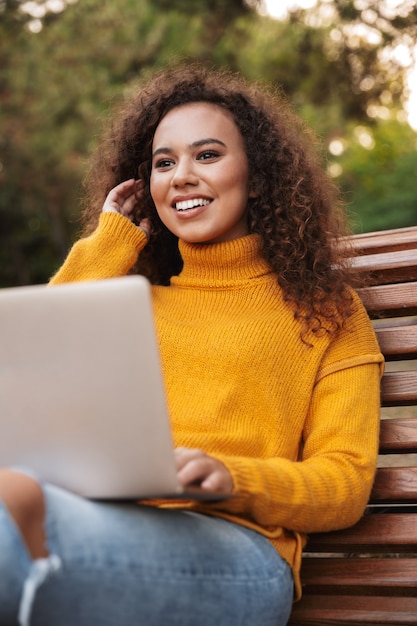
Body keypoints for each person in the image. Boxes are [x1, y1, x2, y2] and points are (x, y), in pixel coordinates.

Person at [0, 64, 384, 626]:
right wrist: (109, 245)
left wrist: (234, 478)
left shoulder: (325, 311)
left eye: (206, 155)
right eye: (163, 162)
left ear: (258, 176)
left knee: (17, 513)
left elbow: (346, 483)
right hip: (103, 519)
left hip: (239, 552)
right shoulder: (130, 305)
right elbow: (31, 368)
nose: (181, 175)